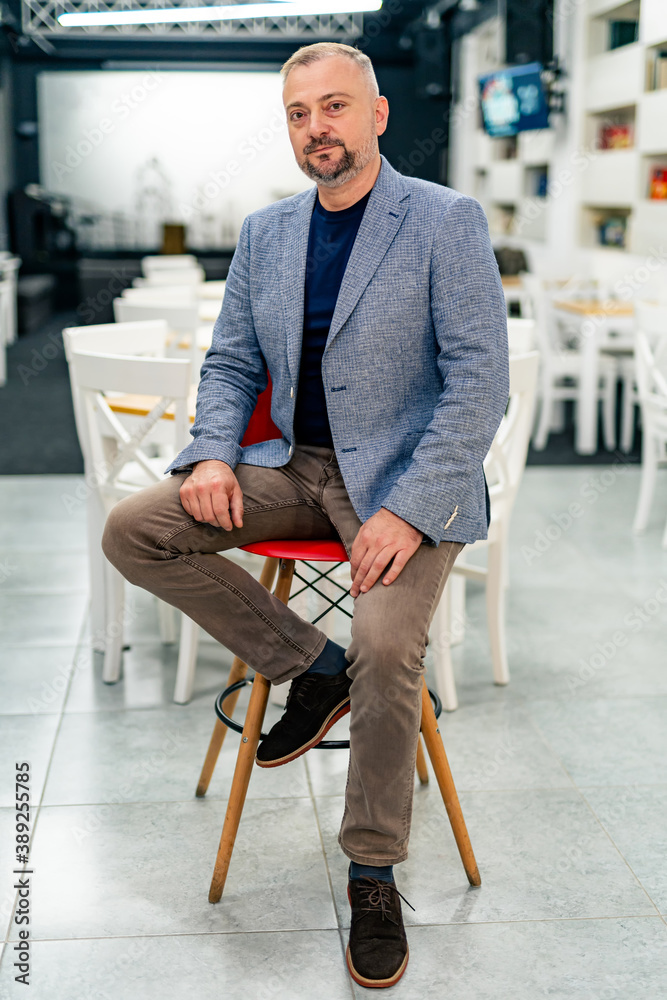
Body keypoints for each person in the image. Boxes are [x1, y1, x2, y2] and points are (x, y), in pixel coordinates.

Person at [102, 41, 509, 990]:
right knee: (135, 528)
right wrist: (210, 451)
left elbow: (477, 383)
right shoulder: (267, 234)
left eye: (333, 107)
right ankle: (307, 666)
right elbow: (232, 363)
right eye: (297, 113)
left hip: (409, 480)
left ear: (375, 115)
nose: (315, 127)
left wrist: (407, 511)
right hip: (293, 465)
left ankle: (372, 869)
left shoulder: (443, 220)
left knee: (385, 644)